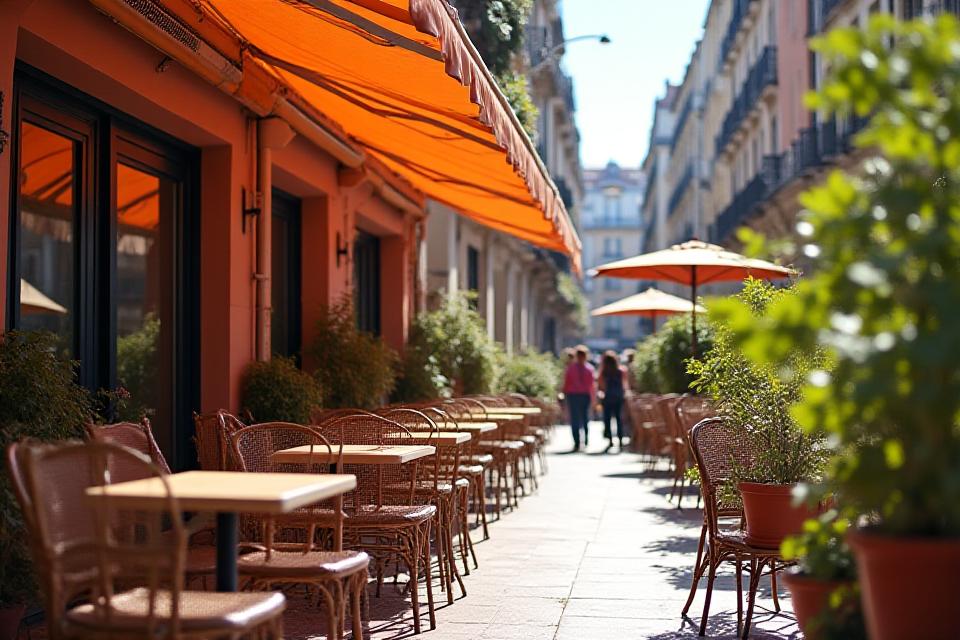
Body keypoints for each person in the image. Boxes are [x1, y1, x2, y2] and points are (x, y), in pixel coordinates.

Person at [562, 345, 595, 452]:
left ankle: (577, 442)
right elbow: (592, 386)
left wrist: (564, 394)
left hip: (574, 395)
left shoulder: (571, 368)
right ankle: (584, 441)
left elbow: (566, 383)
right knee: (584, 418)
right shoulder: (589, 369)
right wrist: (593, 399)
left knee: (576, 419)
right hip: (583, 395)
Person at [597, 350, 629, 452]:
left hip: (608, 398)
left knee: (607, 419)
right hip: (618, 397)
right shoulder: (621, 371)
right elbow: (625, 384)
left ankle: (610, 439)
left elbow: (601, 385)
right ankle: (620, 439)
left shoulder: (603, 372)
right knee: (619, 419)